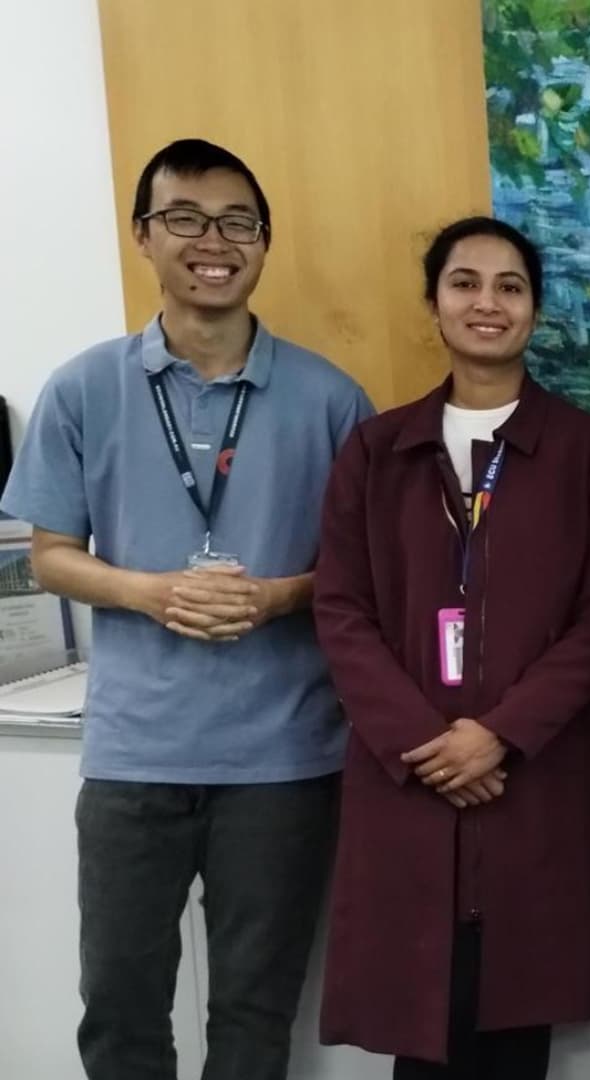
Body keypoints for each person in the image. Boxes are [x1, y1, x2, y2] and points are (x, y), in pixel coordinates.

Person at [0, 137, 373, 1079]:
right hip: (133, 753)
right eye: (186, 220)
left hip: (283, 759)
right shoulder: (84, 388)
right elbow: (49, 559)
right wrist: (154, 593)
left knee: (255, 1014)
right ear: (144, 236)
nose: (215, 242)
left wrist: (276, 597)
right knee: (120, 1010)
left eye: (238, 222)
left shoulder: (331, 398)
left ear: (263, 242)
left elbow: (366, 575)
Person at [312, 216, 590, 1078]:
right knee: (419, 1017)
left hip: (539, 775)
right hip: (407, 777)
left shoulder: (586, 451)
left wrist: (497, 733)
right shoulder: (377, 449)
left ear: (534, 310)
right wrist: (429, 744)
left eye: (510, 286)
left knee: (513, 1020)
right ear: (434, 303)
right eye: (465, 283)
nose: (486, 302)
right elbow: (341, 609)